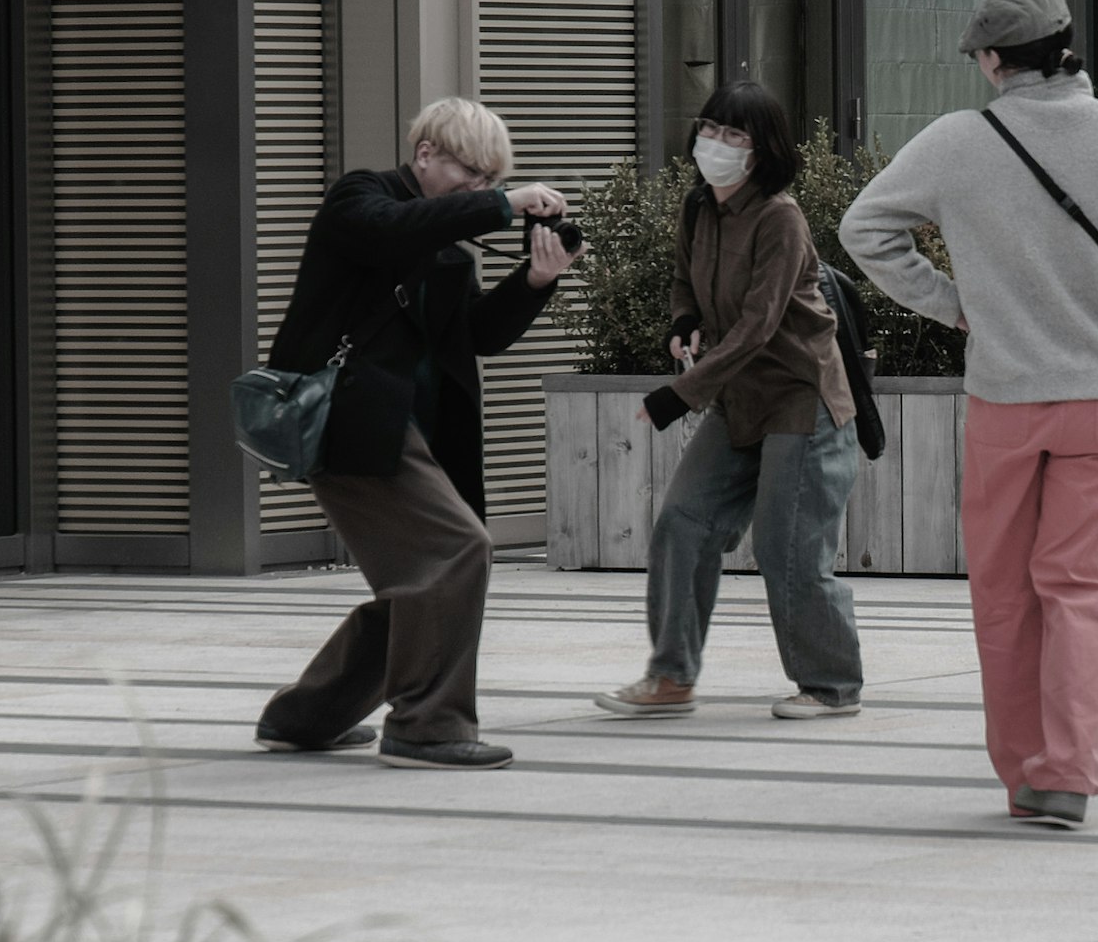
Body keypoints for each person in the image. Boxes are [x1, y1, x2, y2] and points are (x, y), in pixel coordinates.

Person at [841, 0, 1098, 829]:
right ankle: (1068, 772)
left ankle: (1024, 769)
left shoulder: (957, 142)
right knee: (1087, 589)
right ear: (1066, 43)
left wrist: (956, 304)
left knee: (1004, 590)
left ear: (994, 61)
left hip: (1002, 398)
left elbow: (864, 229)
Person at [254, 96, 574, 769]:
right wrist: (504, 205)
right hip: (346, 425)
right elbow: (389, 231)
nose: (481, 189)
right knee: (457, 554)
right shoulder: (360, 200)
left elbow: (478, 337)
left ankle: (304, 717)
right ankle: (428, 725)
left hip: (410, 436)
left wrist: (536, 280)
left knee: (422, 583)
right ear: (425, 154)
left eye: (492, 179)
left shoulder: (448, 254)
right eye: (473, 173)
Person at [597, 83, 870, 724]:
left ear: (762, 151)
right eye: (711, 130)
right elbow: (682, 281)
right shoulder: (699, 208)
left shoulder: (781, 218)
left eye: (736, 137)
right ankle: (670, 677)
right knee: (682, 525)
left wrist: (675, 395)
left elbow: (760, 325)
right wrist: (683, 319)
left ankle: (831, 686)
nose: (716, 145)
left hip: (802, 399)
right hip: (738, 398)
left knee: (787, 549)